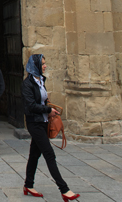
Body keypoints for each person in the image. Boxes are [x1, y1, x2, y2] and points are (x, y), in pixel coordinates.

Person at [21, 54, 80, 201]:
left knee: (34, 154)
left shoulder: (41, 80)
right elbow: (31, 106)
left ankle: (28, 185)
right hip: (34, 123)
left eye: (44, 63)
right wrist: (48, 110)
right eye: (42, 64)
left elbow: (42, 100)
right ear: (35, 66)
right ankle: (64, 189)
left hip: (43, 122)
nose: (45, 66)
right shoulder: (27, 84)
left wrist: (48, 106)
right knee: (49, 154)